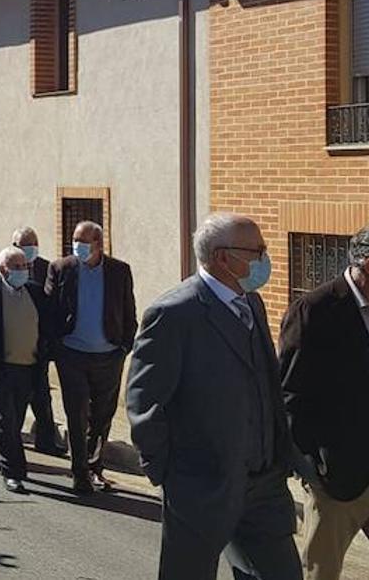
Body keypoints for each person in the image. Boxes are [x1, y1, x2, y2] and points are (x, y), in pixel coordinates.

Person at [127, 213, 299, 580]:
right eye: (257, 250)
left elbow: (266, 383)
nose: (264, 259)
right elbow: (145, 401)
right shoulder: (174, 313)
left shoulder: (251, 303)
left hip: (265, 483)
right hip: (202, 485)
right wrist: (169, 474)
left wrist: (282, 455)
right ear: (223, 257)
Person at [279, 225, 369, 580]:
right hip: (336, 477)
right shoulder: (314, 310)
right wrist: (312, 467)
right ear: (365, 263)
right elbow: (290, 394)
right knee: (322, 570)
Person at [47, 220, 136, 494]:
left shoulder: (119, 271)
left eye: (83, 242)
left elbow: (128, 310)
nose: (77, 246)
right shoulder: (62, 268)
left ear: (98, 244)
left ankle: (95, 467)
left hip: (109, 355)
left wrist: (124, 346)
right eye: (75, 240)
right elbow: (49, 310)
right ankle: (79, 472)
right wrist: (56, 347)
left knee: (102, 415)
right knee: (76, 413)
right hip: (72, 353)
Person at [0, 247, 58, 494]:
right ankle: (13, 472)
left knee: (15, 420)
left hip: (30, 368)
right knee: (5, 420)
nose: (22, 271)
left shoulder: (36, 292)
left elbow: (46, 326)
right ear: (2, 270)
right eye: (16, 267)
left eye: (24, 266)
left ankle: (0, 458)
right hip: (1, 370)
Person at [0, 227, 63, 455]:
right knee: (0, 395)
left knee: (42, 395)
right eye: (25, 245)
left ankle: (46, 439)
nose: (30, 249)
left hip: (35, 347)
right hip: (3, 349)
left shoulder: (46, 267)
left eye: (34, 243)